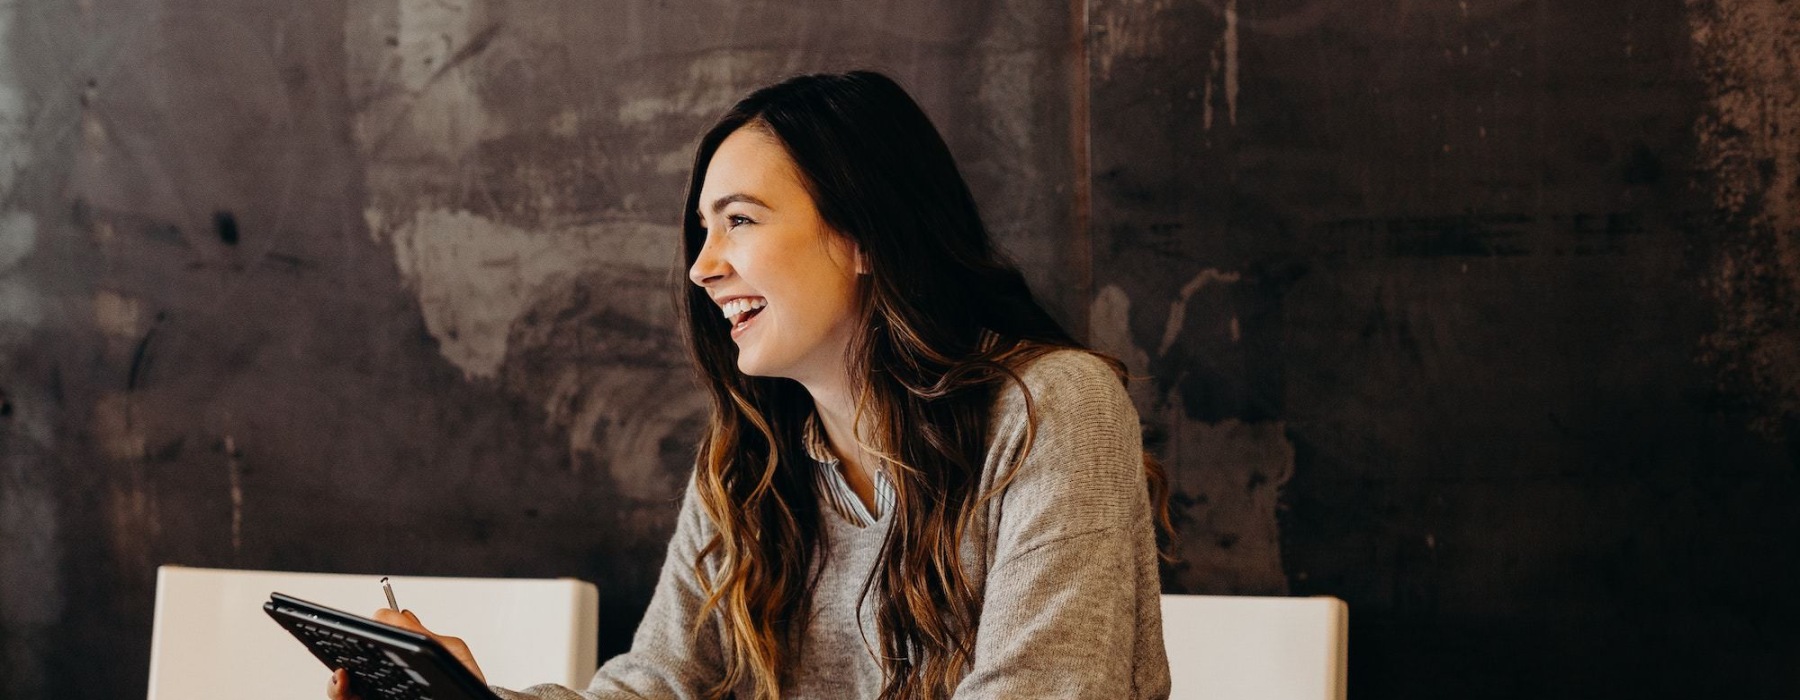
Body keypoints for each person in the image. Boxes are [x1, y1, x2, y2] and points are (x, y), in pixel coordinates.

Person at [328, 70, 1173, 700]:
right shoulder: (752, 460)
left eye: (739, 219)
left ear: (863, 234)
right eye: (703, 230)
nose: (702, 267)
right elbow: (657, 686)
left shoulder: (1050, 409)